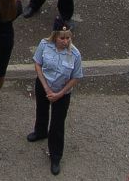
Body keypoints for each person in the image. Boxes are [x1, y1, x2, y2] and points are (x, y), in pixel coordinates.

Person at [28, 19, 83, 175]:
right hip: (44, 85)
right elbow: (38, 64)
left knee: (58, 124)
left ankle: (55, 156)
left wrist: (59, 94)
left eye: (68, 38)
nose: (65, 41)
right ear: (55, 36)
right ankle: (40, 132)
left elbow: (76, 77)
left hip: (62, 92)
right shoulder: (44, 45)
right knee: (42, 110)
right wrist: (46, 88)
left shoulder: (75, 54)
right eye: (62, 38)